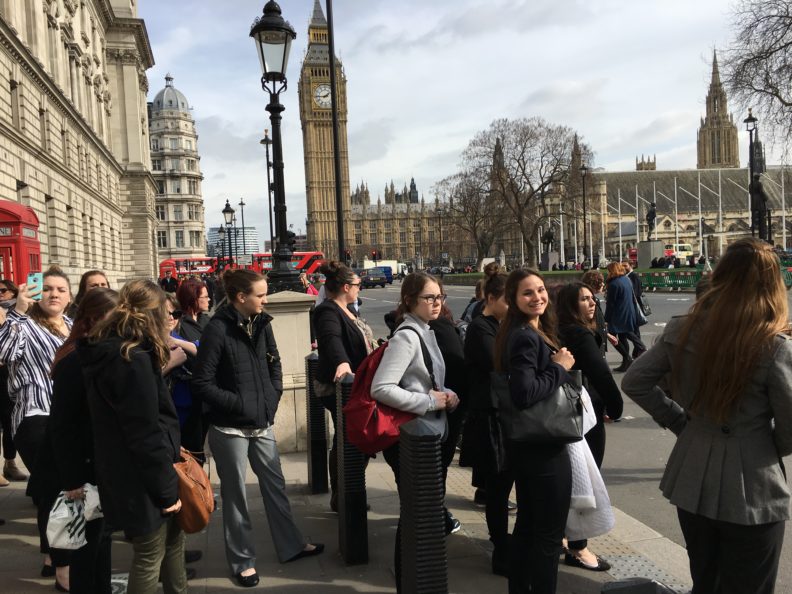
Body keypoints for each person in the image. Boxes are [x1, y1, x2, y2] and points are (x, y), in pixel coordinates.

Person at [622, 238, 792, 594]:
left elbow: (636, 381)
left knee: (706, 578)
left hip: (692, 470)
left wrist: (680, 421)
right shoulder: (774, 345)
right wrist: (764, 445)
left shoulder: (682, 327)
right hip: (752, 481)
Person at [192, 269, 323, 588]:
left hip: (262, 422)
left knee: (275, 486)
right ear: (241, 297)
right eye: (261, 295)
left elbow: (274, 363)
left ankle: (291, 546)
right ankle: (242, 561)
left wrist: (273, 395)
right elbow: (202, 383)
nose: (265, 300)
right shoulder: (217, 330)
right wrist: (239, 404)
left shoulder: (262, 324)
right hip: (229, 429)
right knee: (236, 496)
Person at [79, 279, 186, 593]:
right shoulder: (132, 358)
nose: (170, 319)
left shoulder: (110, 349)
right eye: (165, 313)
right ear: (150, 315)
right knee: (150, 552)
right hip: (143, 477)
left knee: (173, 542)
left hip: (126, 471)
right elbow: (144, 433)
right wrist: (166, 490)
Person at [371, 272, 460, 593]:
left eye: (440, 297)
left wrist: (447, 394)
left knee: (420, 512)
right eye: (430, 298)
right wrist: (427, 401)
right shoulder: (407, 336)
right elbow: (382, 388)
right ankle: (408, 578)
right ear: (410, 300)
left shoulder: (426, 331)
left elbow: (425, 379)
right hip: (412, 439)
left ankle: (409, 577)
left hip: (428, 433)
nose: (437, 303)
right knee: (416, 514)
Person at [493, 268, 575, 594]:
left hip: (527, 446)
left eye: (540, 290)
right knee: (548, 536)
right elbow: (523, 393)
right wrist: (559, 367)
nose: (537, 297)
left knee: (527, 526)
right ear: (513, 298)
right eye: (527, 293)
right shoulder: (526, 335)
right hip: (544, 448)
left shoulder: (520, 330)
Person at [0, 266, 72, 584]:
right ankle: (62, 569)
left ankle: (51, 555)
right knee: (58, 490)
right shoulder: (24, 325)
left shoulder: (72, 326)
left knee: (53, 491)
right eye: (47, 288)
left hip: (70, 419)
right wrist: (17, 312)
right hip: (36, 417)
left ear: (70, 297)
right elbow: (2, 353)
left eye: (60, 289)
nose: (54, 294)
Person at [48, 287, 118, 594]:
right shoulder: (75, 359)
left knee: (101, 541)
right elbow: (62, 426)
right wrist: (73, 479)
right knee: (87, 548)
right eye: (114, 318)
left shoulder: (96, 351)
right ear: (93, 318)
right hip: (83, 469)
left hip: (99, 463)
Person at [556, 282, 624, 571]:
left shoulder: (559, 328)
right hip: (587, 411)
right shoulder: (580, 334)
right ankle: (579, 547)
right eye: (584, 300)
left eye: (592, 298)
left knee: (566, 479)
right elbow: (601, 374)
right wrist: (616, 405)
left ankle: (561, 535)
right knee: (585, 478)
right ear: (572, 306)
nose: (592, 303)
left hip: (565, 413)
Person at [459, 267, 513, 576]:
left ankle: (508, 544)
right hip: (490, 416)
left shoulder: (505, 325)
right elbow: (499, 363)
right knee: (497, 489)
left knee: (504, 485)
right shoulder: (482, 327)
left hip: (505, 414)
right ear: (491, 298)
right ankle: (500, 548)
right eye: (509, 299)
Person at [312, 261, 375, 512]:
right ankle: (344, 494)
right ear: (346, 286)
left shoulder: (348, 309)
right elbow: (331, 339)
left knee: (349, 438)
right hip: (339, 385)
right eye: (358, 284)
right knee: (349, 439)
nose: (361, 288)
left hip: (357, 383)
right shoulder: (328, 311)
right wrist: (342, 363)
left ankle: (344, 493)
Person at [175, 279, 211, 457]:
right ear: (193, 299)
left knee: (201, 441)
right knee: (191, 446)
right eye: (205, 296)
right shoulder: (180, 324)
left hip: (207, 393)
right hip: (189, 394)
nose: (209, 299)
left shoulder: (207, 320)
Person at [0, 279, 26, 485]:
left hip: (8, 374)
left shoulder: (17, 312)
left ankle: (10, 463)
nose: (0, 294)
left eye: (3, 290)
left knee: (9, 420)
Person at [604, 262, 646, 372]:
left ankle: (629, 356)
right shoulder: (626, 279)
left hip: (619, 313)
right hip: (628, 310)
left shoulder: (614, 284)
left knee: (614, 335)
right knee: (624, 335)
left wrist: (606, 319)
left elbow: (611, 304)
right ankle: (626, 361)